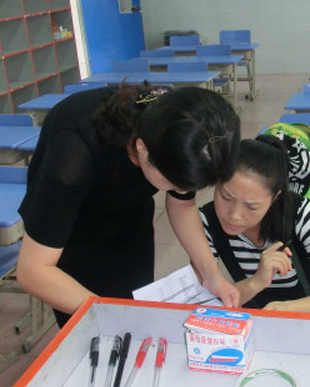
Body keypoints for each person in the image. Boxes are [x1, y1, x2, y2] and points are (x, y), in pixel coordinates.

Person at [16, 83, 241, 327]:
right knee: (95, 326)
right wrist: (109, 313)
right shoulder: (74, 152)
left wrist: (211, 274)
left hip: (130, 220)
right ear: (142, 147)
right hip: (74, 235)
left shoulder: (180, 131)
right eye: (174, 182)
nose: (182, 191)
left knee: (136, 306)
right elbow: (34, 271)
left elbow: (182, 205)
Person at [198, 135, 310, 314]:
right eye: (226, 197)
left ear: (275, 197)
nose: (234, 216)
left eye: (251, 206)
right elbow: (203, 303)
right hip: (264, 321)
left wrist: (285, 310)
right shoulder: (207, 221)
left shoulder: (299, 213)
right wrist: (256, 282)